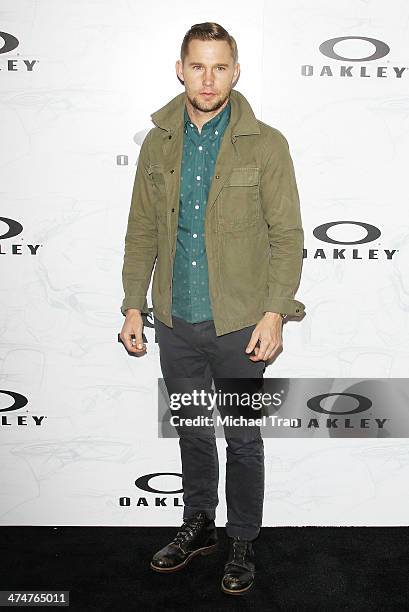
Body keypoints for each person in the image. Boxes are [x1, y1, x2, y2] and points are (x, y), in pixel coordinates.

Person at [119, 21, 305, 595]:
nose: (208, 78)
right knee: (194, 432)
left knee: (243, 438)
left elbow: (288, 236)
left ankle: (242, 538)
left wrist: (274, 313)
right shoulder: (158, 142)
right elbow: (142, 231)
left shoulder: (266, 142)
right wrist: (132, 304)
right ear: (180, 69)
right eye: (197, 66)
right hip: (175, 321)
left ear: (236, 70)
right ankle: (198, 525)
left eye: (219, 66)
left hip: (242, 323)